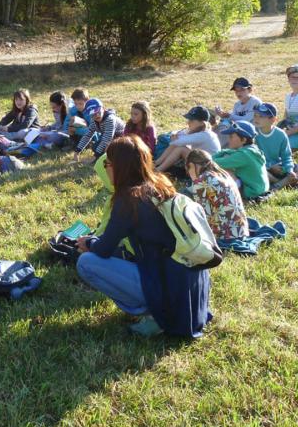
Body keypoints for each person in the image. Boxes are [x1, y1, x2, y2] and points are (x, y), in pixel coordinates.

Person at [76, 136, 212, 338]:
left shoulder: (128, 199)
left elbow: (103, 249)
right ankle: (160, 309)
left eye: (107, 164)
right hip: (191, 286)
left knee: (86, 262)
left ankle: (154, 316)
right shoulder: (160, 184)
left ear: (119, 167)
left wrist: (88, 242)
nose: (105, 168)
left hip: (169, 288)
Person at [185, 149, 248, 244]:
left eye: (188, 169)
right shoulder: (223, 174)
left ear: (192, 165)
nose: (189, 173)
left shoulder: (201, 182)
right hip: (242, 232)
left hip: (225, 237)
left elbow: (203, 216)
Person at [154, 106, 220, 173]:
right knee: (177, 145)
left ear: (202, 123)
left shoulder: (204, 135)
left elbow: (176, 141)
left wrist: (175, 138)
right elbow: (177, 135)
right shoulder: (198, 131)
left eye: (191, 120)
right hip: (202, 161)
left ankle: (158, 170)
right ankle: (156, 163)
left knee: (180, 149)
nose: (188, 122)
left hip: (208, 168)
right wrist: (176, 136)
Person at [213, 121, 269, 199]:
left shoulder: (243, 155)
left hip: (251, 193)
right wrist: (225, 151)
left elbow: (213, 163)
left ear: (244, 140)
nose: (228, 139)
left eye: (231, 136)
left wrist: (215, 155)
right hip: (260, 190)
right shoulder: (252, 150)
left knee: (225, 170)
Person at [253, 102, 297, 190]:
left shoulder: (281, 135)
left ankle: (284, 181)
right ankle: (279, 184)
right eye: (255, 115)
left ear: (273, 120)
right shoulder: (253, 134)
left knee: (294, 169)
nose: (256, 118)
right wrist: (269, 167)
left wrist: (289, 171)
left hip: (278, 166)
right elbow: (253, 158)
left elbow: (287, 156)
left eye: (261, 116)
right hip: (262, 167)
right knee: (256, 171)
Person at [73, 98, 125, 164]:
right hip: (111, 138)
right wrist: (77, 151)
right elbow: (87, 135)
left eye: (98, 112)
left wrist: (94, 157)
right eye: (93, 114)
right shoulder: (93, 121)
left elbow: (106, 140)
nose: (97, 115)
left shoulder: (110, 119)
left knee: (107, 149)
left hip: (122, 138)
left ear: (103, 108)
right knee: (95, 147)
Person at [214, 77, 262, 146]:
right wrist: (222, 116)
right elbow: (232, 120)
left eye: (242, 90)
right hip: (240, 131)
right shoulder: (237, 105)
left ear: (250, 90)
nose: (238, 93)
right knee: (222, 125)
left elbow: (247, 119)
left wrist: (229, 116)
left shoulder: (255, 102)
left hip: (253, 133)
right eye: (236, 91)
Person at [280, 64, 298, 150]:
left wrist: (288, 133)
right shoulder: (288, 96)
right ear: (288, 79)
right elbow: (286, 115)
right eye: (292, 77)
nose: (295, 80)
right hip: (290, 130)